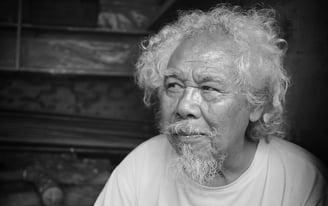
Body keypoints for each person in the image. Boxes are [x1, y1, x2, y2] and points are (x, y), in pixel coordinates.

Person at [94, 5, 327, 206]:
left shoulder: (302, 178)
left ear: (256, 104)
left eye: (209, 88)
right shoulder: (140, 166)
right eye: (174, 85)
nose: (184, 106)